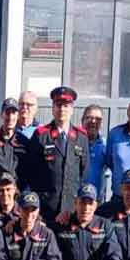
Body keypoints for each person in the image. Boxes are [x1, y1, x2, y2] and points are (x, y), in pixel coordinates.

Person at [25, 87, 89, 224]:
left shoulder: (81, 138)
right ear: (53, 108)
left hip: (72, 212)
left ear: (72, 109)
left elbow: (83, 174)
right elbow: (29, 174)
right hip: (45, 212)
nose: (62, 110)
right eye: (58, 105)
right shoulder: (41, 136)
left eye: (66, 106)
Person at [0, 98, 30, 190]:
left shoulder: (24, 142)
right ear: (1, 115)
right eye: (7, 113)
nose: (10, 117)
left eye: (14, 113)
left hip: (19, 193)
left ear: (18, 115)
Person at [82, 104, 108, 201]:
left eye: (98, 119)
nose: (93, 121)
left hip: (97, 201)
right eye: (89, 118)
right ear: (82, 120)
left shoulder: (106, 145)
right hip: (76, 200)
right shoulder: (73, 142)